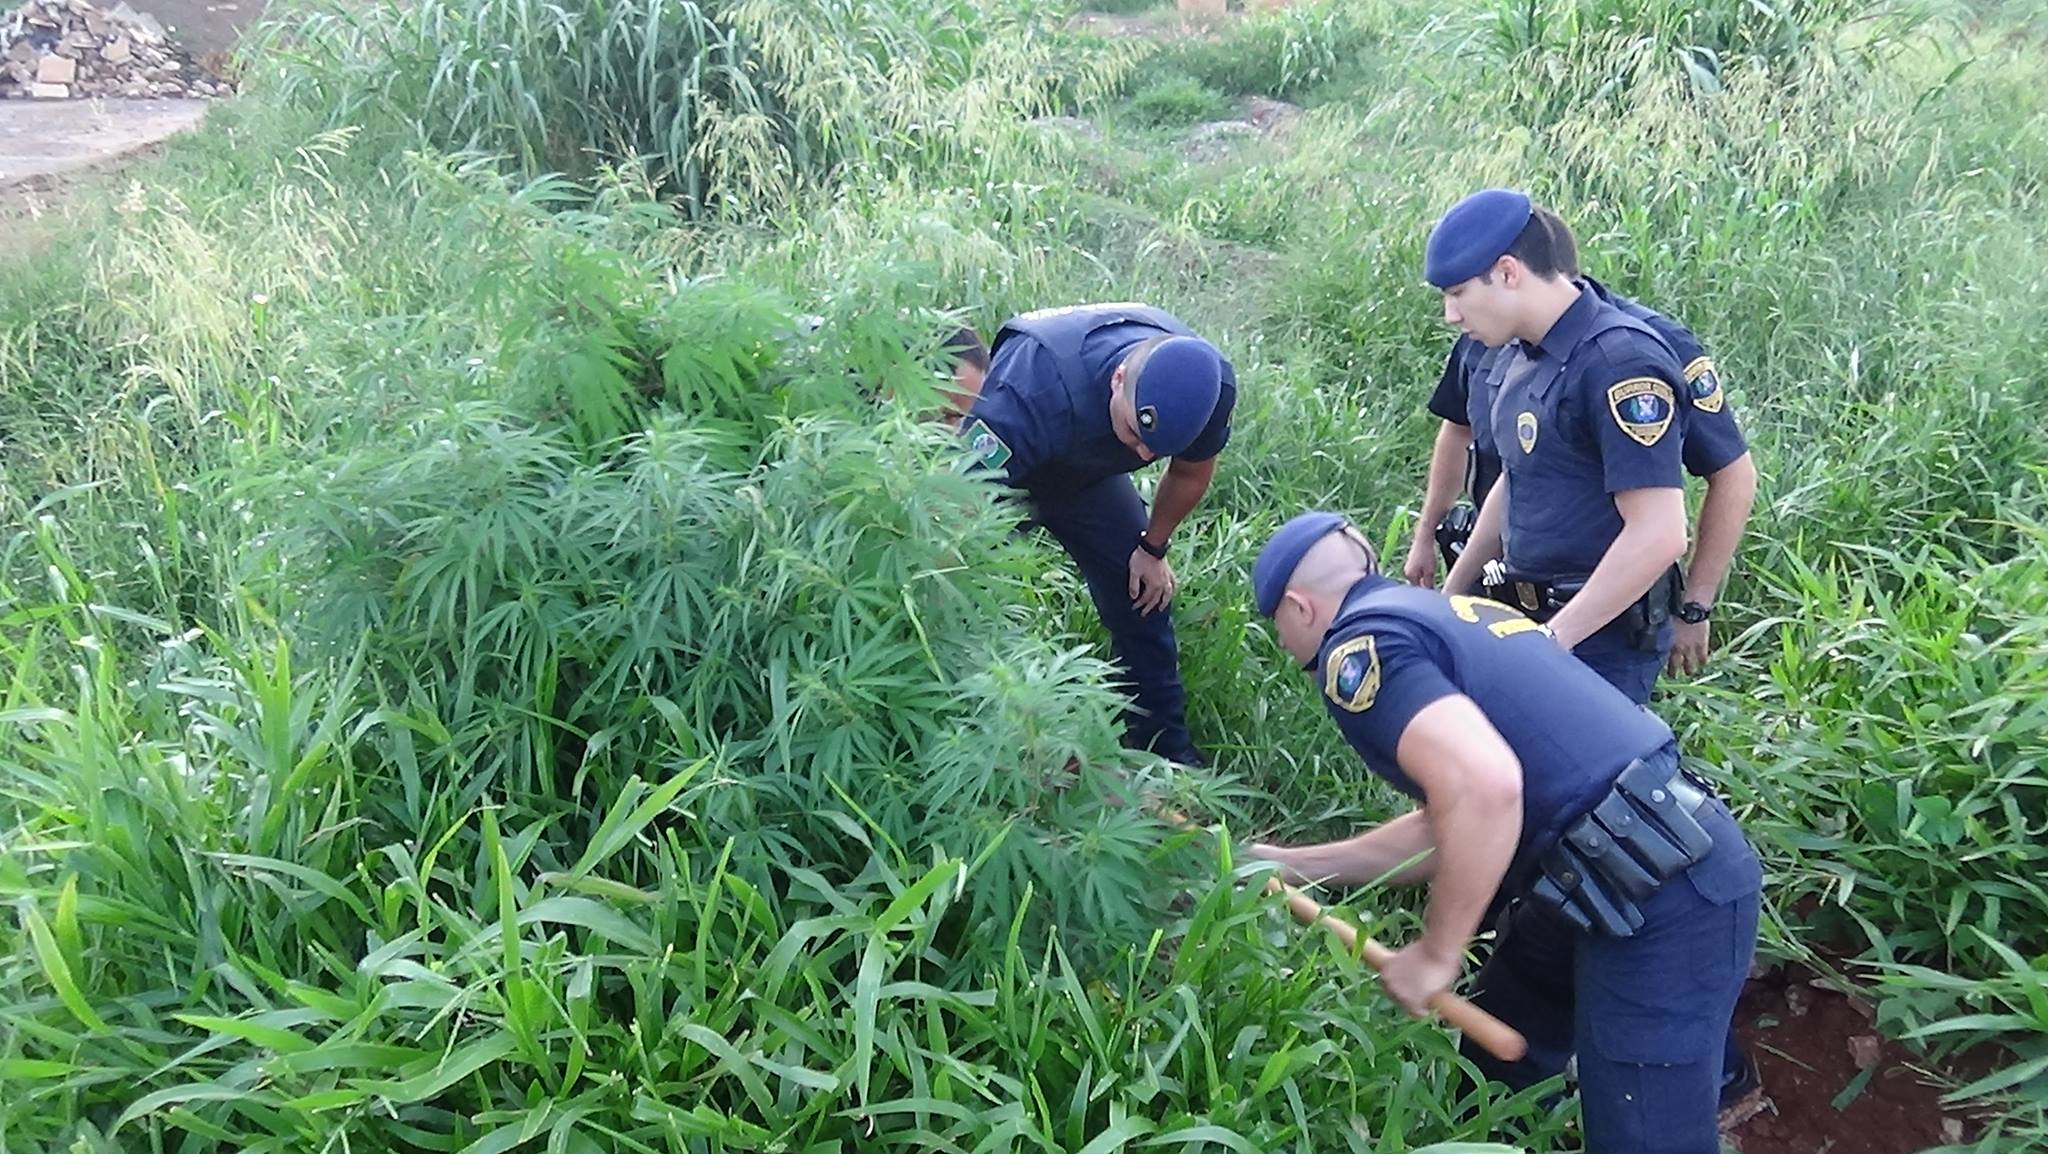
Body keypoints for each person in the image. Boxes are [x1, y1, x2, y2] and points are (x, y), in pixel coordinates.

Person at [1244, 511, 1763, 1154]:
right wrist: (1282, 864)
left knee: (1645, 1136)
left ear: (1297, 607)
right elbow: (1453, 823)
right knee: (1495, 1066)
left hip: (1664, 896)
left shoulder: (1360, 647)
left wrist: (1436, 954)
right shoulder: (1435, 614)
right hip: (1600, 865)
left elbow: (1485, 790)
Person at [1414, 188, 1716, 706]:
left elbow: (1660, 533)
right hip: (1525, 614)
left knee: (1571, 785)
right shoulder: (1520, 354)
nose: (1451, 315)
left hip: (1597, 636)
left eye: (1459, 293)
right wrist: (1453, 597)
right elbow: (1518, 478)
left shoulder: (1620, 363)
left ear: (1508, 272)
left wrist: (1555, 642)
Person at [943, 302, 1236, 767]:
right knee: (965, 597)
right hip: (1003, 471)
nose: (1142, 453)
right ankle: (995, 741)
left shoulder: (1206, 387)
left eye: (1155, 449)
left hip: (1089, 475)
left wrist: (1152, 547)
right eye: (1135, 433)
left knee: (1142, 593)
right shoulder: (1026, 390)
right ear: (1120, 378)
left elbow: (1190, 473)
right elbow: (958, 503)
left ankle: (1165, 752)